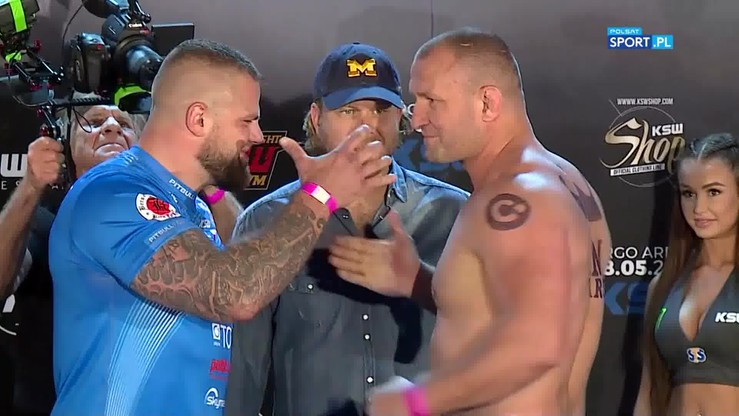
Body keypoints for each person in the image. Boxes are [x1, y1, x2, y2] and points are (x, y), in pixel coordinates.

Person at [47, 38, 394, 416]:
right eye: (247, 121)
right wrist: (320, 195)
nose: (258, 136)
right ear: (199, 119)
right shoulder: (113, 193)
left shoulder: (194, 208)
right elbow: (233, 292)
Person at [328, 27, 611, 416]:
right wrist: (416, 280)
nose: (416, 119)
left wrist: (416, 401)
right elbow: (516, 307)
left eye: (431, 101)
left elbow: (539, 343)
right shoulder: (567, 182)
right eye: (415, 100)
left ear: (487, 103)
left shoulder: (518, 198)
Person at [225, 42, 469, 416]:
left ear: (401, 117)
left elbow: (500, 342)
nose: (368, 125)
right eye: (349, 110)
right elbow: (244, 371)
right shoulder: (268, 221)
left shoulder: (454, 214)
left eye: (381, 110)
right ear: (316, 118)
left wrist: (421, 283)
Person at [0, 92, 242, 415]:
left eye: (125, 125)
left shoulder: (177, 219)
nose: (112, 127)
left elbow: (244, 262)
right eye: (94, 122)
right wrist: (30, 186)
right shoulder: (45, 222)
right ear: (68, 146)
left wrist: (204, 177)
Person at [635, 133, 739, 416]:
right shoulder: (663, 285)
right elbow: (648, 391)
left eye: (713, 192)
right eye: (688, 193)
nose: (699, 208)